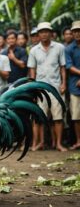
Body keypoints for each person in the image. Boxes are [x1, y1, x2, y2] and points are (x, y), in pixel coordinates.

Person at [28, 22, 67, 152]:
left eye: (46, 31)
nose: (44, 34)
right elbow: (32, 71)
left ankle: (59, 144)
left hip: (56, 87)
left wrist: (64, 84)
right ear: (38, 34)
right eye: (41, 32)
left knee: (58, 117)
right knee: (38, 118)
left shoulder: (59, 47)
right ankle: (38, 143)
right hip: (40, 88)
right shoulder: (34, 50)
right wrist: (33, 88)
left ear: (51, 33)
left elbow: (62, 67)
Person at [65, 21, 80, 150]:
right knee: (75, 116)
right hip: (75, 87)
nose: (77, 33)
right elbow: (69, 66)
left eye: (79, 31)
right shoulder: (69, 49)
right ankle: (79, 141)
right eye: (75, 31)